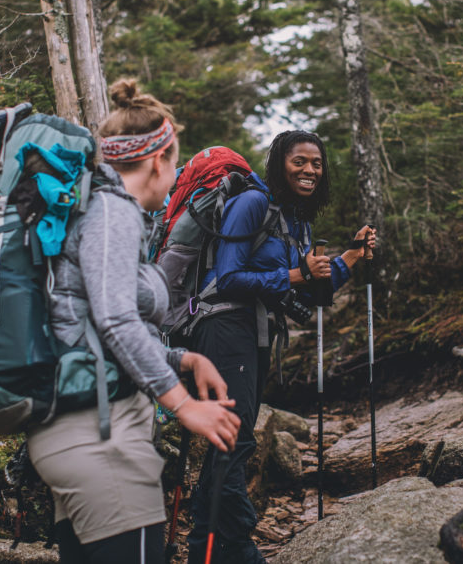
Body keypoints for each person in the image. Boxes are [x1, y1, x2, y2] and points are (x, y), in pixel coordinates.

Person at [28, 79, 241, 564]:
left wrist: (182, 359)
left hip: (82, 428)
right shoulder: (113, 211)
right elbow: (116, 319)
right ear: (159, 159)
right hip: (100, 437)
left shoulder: (96, 209)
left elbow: (93, 324)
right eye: (176, 163)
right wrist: (183, 405)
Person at [186, 130, 377, 564]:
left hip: (254, 331)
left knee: (232, 439)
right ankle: (234, 546)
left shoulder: (295, 220)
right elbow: (228, 277)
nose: (310, 170)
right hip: (223, 327)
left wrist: (350, 256)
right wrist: (295, 275)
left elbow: (310, 288)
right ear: (279, 164)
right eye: (299, 161)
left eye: (317, 163)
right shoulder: (253, 203)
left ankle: (209, 549)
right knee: (233, 438)